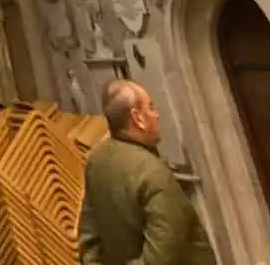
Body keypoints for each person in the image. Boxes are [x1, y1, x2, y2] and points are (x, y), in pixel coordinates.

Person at [79, 79, 215, 265]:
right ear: (138, 118)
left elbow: (89, 233)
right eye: (151, 108)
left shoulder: (97, 160)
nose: (157, 115)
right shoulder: (154, 174)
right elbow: (162, 253)